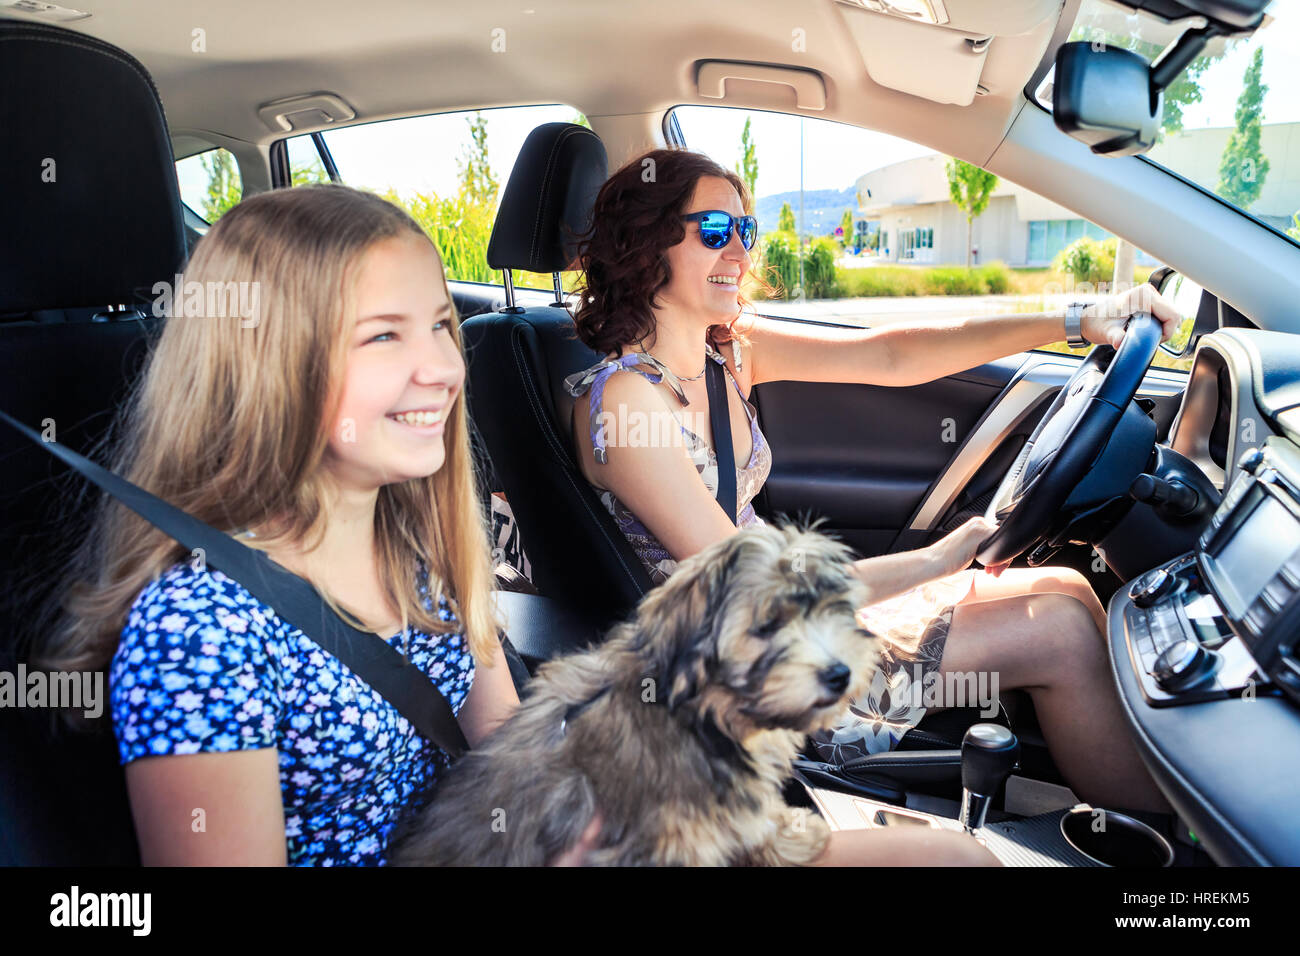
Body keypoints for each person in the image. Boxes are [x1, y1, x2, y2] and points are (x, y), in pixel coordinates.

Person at [566, 147, 1182, 818]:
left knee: (1062, 584)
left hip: (798, 617)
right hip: (748, 672)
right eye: (715, 231)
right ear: (647, 244)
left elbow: (889, 355)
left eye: (747, 231)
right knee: (1058, 632)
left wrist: (1073, 321)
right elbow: (756, 592)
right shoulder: (626, 403)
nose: (740, 251)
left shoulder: (726, 352)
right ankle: (1178, 851)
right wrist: (931, 561)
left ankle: (1167, 806)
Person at [29, 184, 593, 865]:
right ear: (272, 366)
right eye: (384, 334)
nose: (444, 367)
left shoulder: (421, 553)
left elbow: (516, 766)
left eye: (442, 324)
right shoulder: (200, 632)